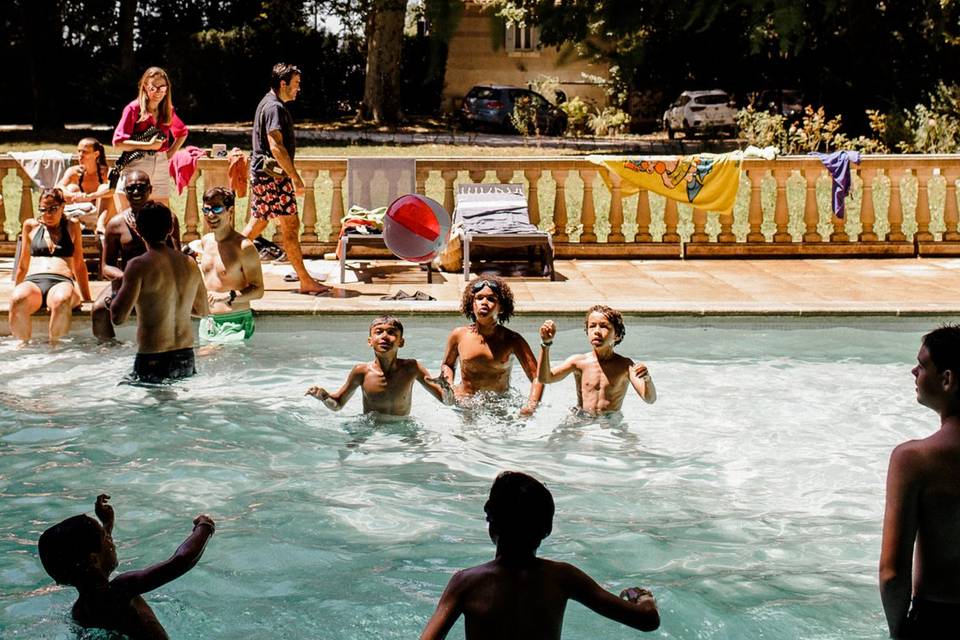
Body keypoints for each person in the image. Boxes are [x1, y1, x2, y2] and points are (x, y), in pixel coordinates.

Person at [420, 471, 660, 640]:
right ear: (547, 529)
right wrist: (638, 594)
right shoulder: (563, 577)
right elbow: (647, 621)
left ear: (491, 523)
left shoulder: (466, 583)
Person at [38, 494, 215, 639]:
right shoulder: (122, 588)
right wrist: (205, 526)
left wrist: (107, 524)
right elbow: (180, 561)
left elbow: (86, 555)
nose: (111, 540)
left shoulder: (80, 612)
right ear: (94, 560)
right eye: (106, 537)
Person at [880, 325, 960, 638]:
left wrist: (899, 632)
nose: (914, 371)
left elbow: (892, 574)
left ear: (947, 379)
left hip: (938, 621)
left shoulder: (914, 460)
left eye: (923, 364)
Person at [242, 62, 330, 296]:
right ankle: (305, 281)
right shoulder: (274, 108)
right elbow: (276, 146)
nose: (298, 88)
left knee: (255, 226)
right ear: (283, 84)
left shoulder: (267, 102)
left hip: (264, 176)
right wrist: (295, 178)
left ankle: (220, 263)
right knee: (290, 228)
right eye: (296, 84)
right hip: (273, 178)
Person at [109, 201, 207, 383]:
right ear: (170, 228)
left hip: (153, 357)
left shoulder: (138, 265)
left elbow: (118, 317)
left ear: (138, 230)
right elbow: (202, 311)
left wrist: (114, 295)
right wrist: (177, 308)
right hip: (185, 357)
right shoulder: (190, 264)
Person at [92, 170, 182, 342]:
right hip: (128, 280)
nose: (135, 192)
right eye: (131, 188)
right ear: (124, 192)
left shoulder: (166, 218)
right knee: (99, 309)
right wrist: (128, 278)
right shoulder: (116, 224)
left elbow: (177, 255)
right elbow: (105, 267)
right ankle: (108, 350)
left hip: (162, 278)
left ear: (150, 189)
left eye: (141, 188)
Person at [307, 315, 454, 416]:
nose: (384, 336)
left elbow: (447, 402)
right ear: (370, 341)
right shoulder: (361, 372)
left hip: (402, 425)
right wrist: (324, 397)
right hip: (371, 425)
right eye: (379, 332)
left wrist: (446, 388)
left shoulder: (412, 368)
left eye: (391, 332)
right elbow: (338, 404)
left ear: (401, 342)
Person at [440, 274, 542, 416]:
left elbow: (538, 377)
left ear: (501, 308)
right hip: (464, 403)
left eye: (491, 299)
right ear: (471, 304)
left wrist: (531, 406)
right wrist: (449, 386)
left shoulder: (512, 340)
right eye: (479, 298)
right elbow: (448, 365)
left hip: (499, 404)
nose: (484, 302)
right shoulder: (459, 335)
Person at [537, 305, 657, 415]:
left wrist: (647, 379)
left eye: (604, 326)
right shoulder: (579, 362)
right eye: (592, 326)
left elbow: (650, 399)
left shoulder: (625, 366)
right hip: (582, 417)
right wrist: (546, 344)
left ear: (617, 335)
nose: (597, 331)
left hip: (610, 421)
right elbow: (545, 378)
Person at [9, 187, 92, 345]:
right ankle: (22, 348)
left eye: (53, 209)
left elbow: (79, 264)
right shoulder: (30, 226)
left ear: (62, 207)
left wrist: (87, 298)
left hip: (61, 282)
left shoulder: (72, 226)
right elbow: (23, 265)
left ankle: (55, 349)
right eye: (43, 209)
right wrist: (17, 288)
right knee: (17, 299)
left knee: (61, 301)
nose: (48, 214)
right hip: (34, 282)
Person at [112, 66, 188, 211]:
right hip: (136, 162)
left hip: (160, 164)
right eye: (153, 87)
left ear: (167, 89)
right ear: (145, 87)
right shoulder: (133, 109)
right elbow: (118, 142)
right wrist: (149, 145)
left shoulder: (167, 110)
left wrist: (170, 153)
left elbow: (182, 132)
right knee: (128, 211)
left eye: (162, 87)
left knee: (161, 214)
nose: (158, 92)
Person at [197, 187, 264, 343]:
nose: (211, 215)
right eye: (206, 210)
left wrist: (230, 295)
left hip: (235, 323)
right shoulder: (205, 242)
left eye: (217, 208)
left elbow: (258, 290)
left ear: (230, 211)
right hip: (207, 322)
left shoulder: (243, 247)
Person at [56, 137, 116, 233]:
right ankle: (75, 224)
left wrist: (90, 196)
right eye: (79, 151)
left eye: (85, 152)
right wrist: (73, 195)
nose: (80, 155)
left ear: (96, 154)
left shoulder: (107, 172)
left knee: (103, 188)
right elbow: (58, 188)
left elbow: (113, 189)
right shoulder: (74, 172)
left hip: (103, 216)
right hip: (81, 214)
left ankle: (100, 226)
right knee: (72, 188)